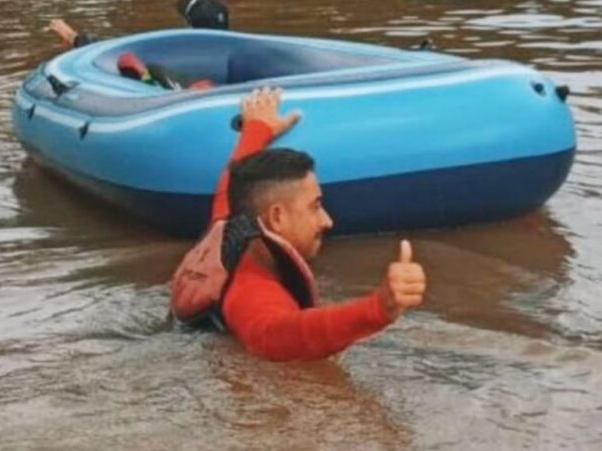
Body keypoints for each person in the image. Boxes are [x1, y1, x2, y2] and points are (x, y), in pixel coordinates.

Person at [171, 87, 428, 361]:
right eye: (315, 207)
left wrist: (257, 127)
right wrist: (379, 308)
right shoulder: (251, 291)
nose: (327, 220)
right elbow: (281, 336)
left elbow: (229, 185)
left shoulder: (228, 226)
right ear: (277, 217)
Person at [46, 0, 229, 90]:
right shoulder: (235, 54)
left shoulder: (171, 59)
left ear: (189, 25)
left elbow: (116, 54)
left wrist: (75, 39)